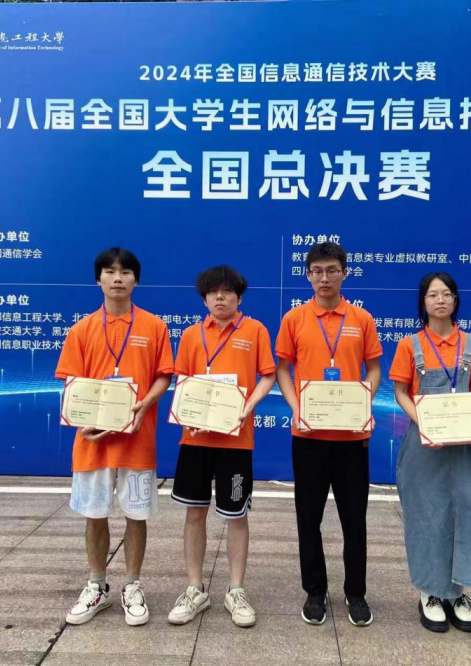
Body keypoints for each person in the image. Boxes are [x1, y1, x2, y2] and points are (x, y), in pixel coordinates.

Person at [55, 247, 174, 627]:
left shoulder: (154, 327)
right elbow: (72, 384)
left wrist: (145, 403)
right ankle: (97, 586)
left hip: (137, 441)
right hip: (93, 443)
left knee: (137, 516)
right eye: (110, 271)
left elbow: (164, 375)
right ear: (99, 279)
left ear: (136, 280)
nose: (118, 278)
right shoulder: (82, 329)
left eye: (125, 272)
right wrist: (81, 421)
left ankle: (133, 585)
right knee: (95, 515)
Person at [275, 242, 382, 627]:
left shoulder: (362, 319)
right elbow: (283, 369)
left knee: (355, 520)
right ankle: (315, 591)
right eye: (317, 271)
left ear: (345, 273)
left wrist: (363, 401)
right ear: (307, 275)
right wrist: (296, 407)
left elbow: (374, 369)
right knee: (309, 518)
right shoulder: (295, 319)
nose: (324, 278)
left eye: (332, 270)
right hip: (308, 437)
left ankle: (356, 592)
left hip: (352, 438)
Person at [167, 265, 276, 628]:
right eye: (213, 293)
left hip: (236, 440)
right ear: (204, 299)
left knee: (236, 515)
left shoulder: (255, 331)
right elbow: (182, 380)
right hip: (195, 439)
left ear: (239, 298)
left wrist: (249, 405)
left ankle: (236, 590)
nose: (219, 298)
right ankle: (195, 589)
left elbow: (268, 375)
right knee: (194, 513)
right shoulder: (191, 334)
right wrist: (185, 413)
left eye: (227, 292)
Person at [389, 272, 471, 633]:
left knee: (466, 514)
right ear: (423, 302)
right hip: (424, 445)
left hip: (465, 448)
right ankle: (430, 592)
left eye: (447, 294)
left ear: (455, 300)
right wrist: (425, 422)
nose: (440, 300)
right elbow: (400, 392)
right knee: (426, 516)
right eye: (433, 295)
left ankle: (459, 593)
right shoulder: (410, 346)